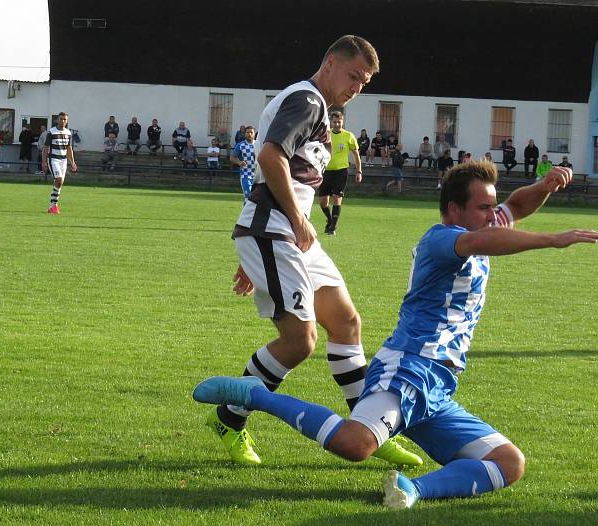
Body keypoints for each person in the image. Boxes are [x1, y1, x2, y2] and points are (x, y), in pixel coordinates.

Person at [193, 162, 596, 510]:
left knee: (508, 462)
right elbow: (482, 238)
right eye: (485, 207)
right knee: (355, 445)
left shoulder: (482, 227)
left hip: (437, 385)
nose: (495, 215)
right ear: (454, 210)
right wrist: (552, 239)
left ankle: (411, 490)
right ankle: (254, 395)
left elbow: (517, 207)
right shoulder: (442, 240)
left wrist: (544, 187)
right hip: (408, 368)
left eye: (494, 207)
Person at [206, 35, 420, 468]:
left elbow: (276, 176)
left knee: (345, 322)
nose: (357, 87)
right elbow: (270, 157)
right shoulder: (308, 100)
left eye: (364, 82)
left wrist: (263, 246)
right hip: (281, 230)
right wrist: (291, 223)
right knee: (300, 342)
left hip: (284, 233)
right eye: (354, 75)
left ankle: (368, 429)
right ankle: (229, 418)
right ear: (329, 63)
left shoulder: (313, 106)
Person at [318, 111, 361, 236]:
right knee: (323, 202)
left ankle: (332, 228)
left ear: (343, 121)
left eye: (339, 122)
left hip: (341, 172)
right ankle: (330, 220)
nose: (337, 124)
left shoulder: (349, 136)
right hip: (326, 171)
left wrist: (359, 171)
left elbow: (356, 155)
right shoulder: (326, 135)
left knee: (337, 199)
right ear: (331, 122)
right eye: (335, 122)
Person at [43, 112, 77, 215]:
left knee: (59, 183)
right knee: (59, 180)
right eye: (61, 119)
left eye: (65, 119)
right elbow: (45, 148)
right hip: (54, 159)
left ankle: (52, 206)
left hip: (63, 161)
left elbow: (69, 148)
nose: (63, 121)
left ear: (67, 121)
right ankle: (54, 206)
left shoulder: (68, 133)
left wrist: (73, 162)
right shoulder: (51, 132)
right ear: (57, 120)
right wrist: (43, 161)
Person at [230, 125, 256, 199]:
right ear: (245, 134)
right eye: (247, 132)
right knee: (248, 195)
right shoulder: (240, 145)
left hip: (257, 175)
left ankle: (250, 210)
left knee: (256, 198)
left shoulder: (259, 144)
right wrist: (239, 162)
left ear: (254, 134)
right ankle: (247, 210)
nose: (249, 134)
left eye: (251, 132)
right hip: (245, 174)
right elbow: (232, 157)